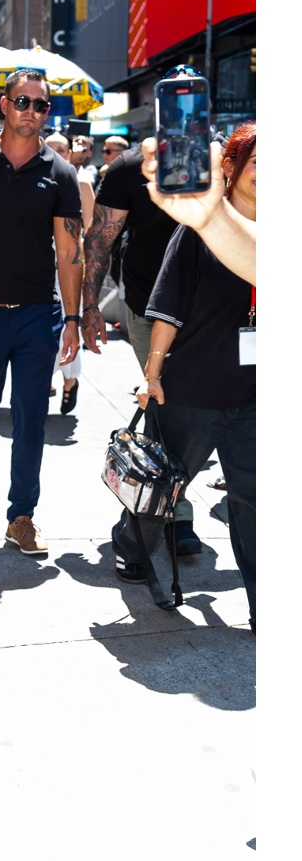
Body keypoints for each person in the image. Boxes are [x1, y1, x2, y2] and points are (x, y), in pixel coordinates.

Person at [113, 122, 255, 629]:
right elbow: (167, 309)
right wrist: (152, 374)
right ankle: (130, 545)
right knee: (165, 487)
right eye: (257, 163)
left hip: (257, 398)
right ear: (231, 170)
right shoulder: (198, 229)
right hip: (194, 389)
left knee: (255, 501)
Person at [0, 69, 82, 552]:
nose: (32, 111)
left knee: (32, 419)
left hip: (36, 316)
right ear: (4, 106)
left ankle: (21, 515)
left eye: (41, 105)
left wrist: (72, 318)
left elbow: (70, 250)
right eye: (23, 102)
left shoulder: (60, 172)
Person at [82, 66, 202, 555]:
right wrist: (88, 307)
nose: (183, 108)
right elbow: (100, 239)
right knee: (166, 410)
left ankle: (167, 512)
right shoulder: (130, 166)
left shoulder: (222, 159)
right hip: (147, 308)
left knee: (191, 415)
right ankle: (170, 516)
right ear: (158, 105)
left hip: (208, 313)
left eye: (193, 97)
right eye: (176, 97)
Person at [139, 135, 256, 285]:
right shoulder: (193, 230)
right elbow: (167, 303)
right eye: (257, 162)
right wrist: (212, 218)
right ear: (229, 167)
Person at [44, 131, 90, 414]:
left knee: (67, 329)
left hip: (70, 266)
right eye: (51, 148)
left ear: (70, 152)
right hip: (39, 269)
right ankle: (45, 380)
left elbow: (94, 232)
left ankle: (69, 380)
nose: (58, 153)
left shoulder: (80, 182)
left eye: (62, 148)